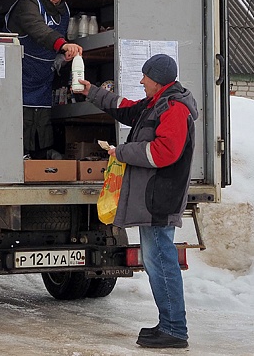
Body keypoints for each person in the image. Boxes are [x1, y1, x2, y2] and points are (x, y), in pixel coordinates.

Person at [73, 54, 196, 349]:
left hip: (160, 199)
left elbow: (164, 152)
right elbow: (125, 109)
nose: (141, 81)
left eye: (145, 77)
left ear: (159, 79)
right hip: (153, 197)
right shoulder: (156, 104)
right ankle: (169, 324)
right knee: (156, 262)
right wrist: (92, 92)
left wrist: (123, 152)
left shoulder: (174, 108)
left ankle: (175, 330)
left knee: (162, 262)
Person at [5, 0, 83, 160]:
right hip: (18, 77)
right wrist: (63, 44)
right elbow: (39, 31)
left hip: (43, 80)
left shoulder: (64, 10)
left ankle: (40, 162)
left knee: (40, 125)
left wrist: (61, 56)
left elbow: (55, 42)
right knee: (18, 125)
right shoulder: (28, 3)